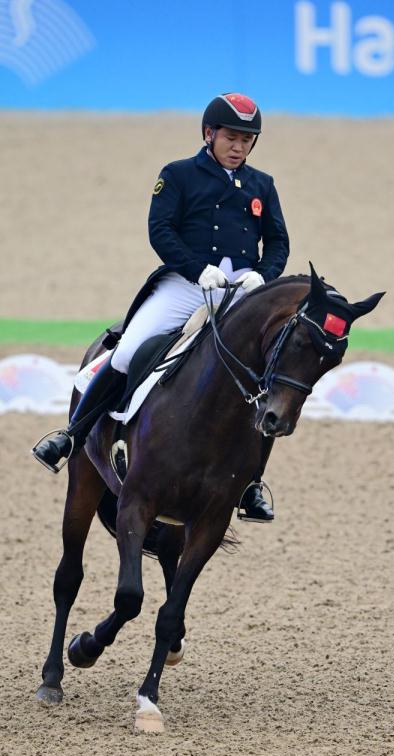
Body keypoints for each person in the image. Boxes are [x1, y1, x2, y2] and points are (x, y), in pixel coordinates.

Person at [32, 92, 289, 521]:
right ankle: (72, 435)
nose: (239, 146)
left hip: (242, 291)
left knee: (267, 380)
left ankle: (251, 485)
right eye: (231, 136)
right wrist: (195, 268)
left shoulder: (262, 184)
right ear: (209, 134)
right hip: (188, 284)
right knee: (130, 351)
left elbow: (278, 239)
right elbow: (160, 231)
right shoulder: (179, 174)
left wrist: (264, 274)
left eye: (247, 139)